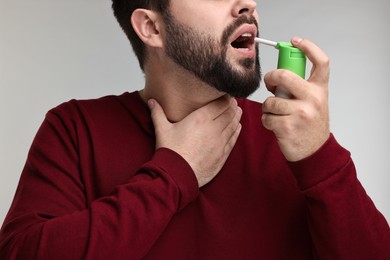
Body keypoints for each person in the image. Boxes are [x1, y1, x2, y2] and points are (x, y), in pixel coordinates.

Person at [0, 0, 389, 259]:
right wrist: (175, 172)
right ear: (151, 28)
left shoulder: (291, 139)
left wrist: (320, 157)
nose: (248, 4)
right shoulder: (74, 129)